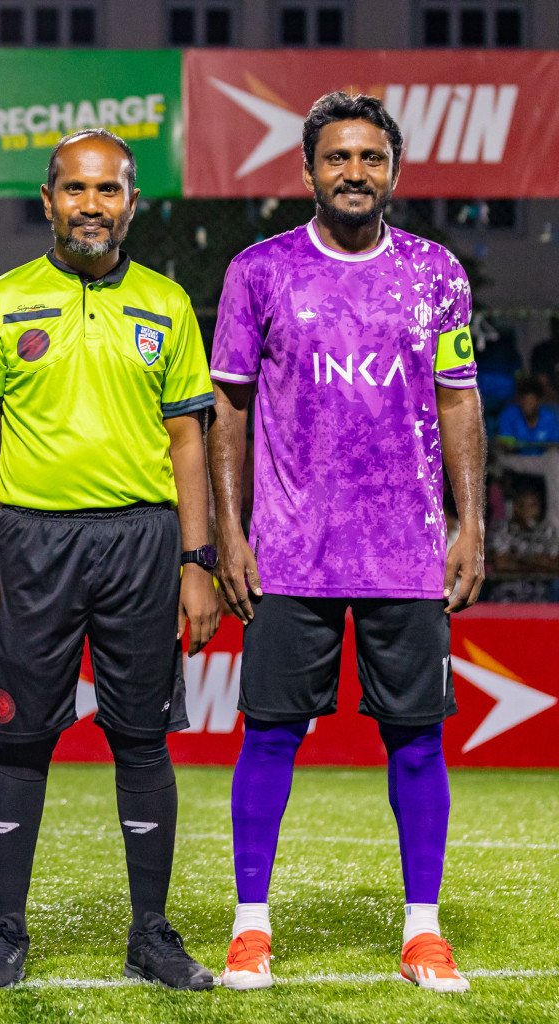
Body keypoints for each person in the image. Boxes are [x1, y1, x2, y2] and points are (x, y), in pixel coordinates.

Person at [208, 92, 485, 993]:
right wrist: (227, 532)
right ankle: (252, 928)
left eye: (370, 157)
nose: (354, 172)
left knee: (416, 741)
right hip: (290, 549)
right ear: (309, 172)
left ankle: (424, 933)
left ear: (394, 171)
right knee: (271, 735)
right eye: (338, 158)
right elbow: (229, 410)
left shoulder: (437, 272)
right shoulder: (260, 271)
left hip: (407, 549)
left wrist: (469, 522)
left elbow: (457, 401)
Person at [0, 128, 220, 991]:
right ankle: (5, 933)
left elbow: (188, 440)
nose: (92, 206)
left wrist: (197, 559)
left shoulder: (168, 306)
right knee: (22, 738)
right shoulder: (1, 301)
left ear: (131, 203)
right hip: (33, 543)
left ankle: (151, 934)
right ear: (49, 199)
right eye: (75, 190)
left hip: (142, 543)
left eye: (108, 191)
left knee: (141, 739)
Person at [485, 483, 559, 602]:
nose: (532, 511)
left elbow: (555, 564)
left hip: (541, 596)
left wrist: (517, 558)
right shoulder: (502, 529)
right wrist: (538, 562)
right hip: (507, 596)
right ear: (516, 507)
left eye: (535, 505)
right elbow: (502, 564)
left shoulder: (547, 530)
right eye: (526, 506)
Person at [495, 377, 559, 455]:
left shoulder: (549, 417)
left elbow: (555, 443)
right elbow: (503, 442)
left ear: (538, 401)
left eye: (531, 401)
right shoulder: (508, 415)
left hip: (543, 460)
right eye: (525, 401)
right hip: (515, 459)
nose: (527, 406)